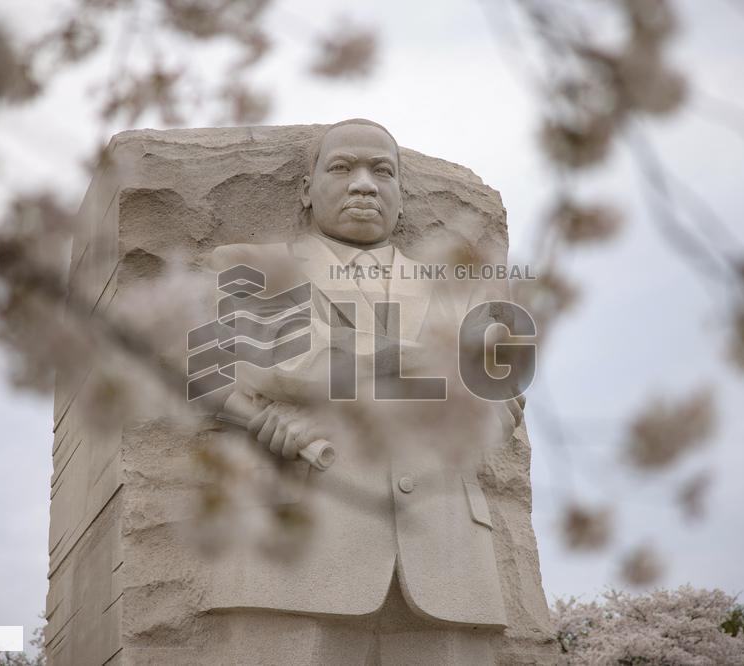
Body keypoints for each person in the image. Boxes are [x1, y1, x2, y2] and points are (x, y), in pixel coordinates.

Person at [198, 119, 527, 664]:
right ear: (305, 189)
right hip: (293, 553)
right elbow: (276, 362)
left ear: (402, 194)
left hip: (448, 556)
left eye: (382, 171)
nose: (364, 184)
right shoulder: (249, 268)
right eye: (341, 167)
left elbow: (497, 405)